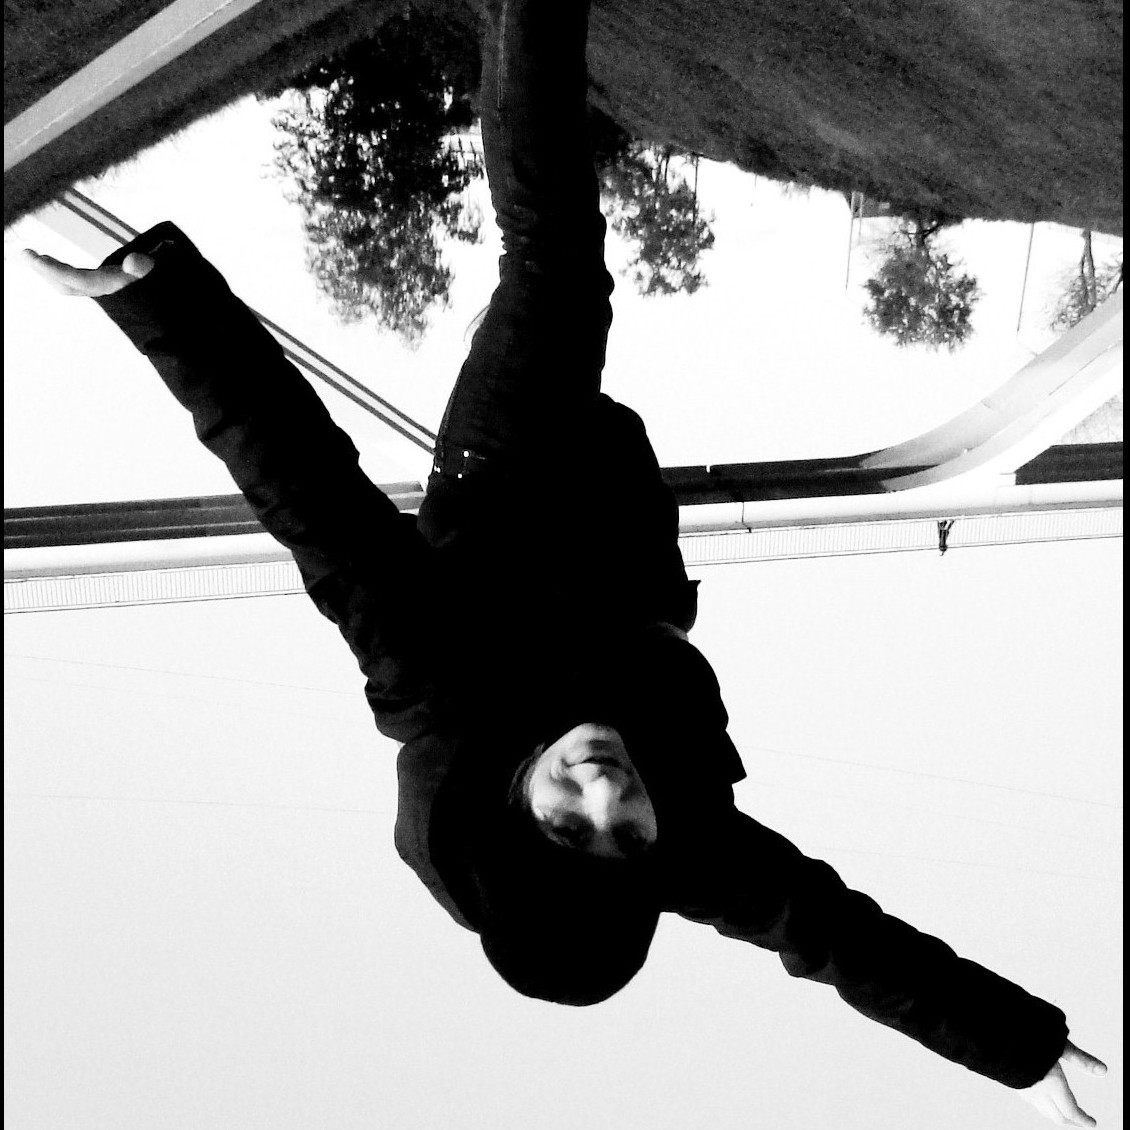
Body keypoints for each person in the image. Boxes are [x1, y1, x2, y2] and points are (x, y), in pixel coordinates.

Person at [24, 0, 1108, 1123]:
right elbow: (840, 942)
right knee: (569, 302)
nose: (608, 790)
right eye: (627, 832)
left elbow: (310, 497)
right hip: (613, 524)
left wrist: (157, 301)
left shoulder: (432, 685)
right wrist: (1024, 1052)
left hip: (506, 476)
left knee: (556, 269)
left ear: (508, 811)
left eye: (566, 818)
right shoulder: (695, 853)